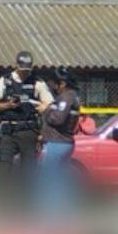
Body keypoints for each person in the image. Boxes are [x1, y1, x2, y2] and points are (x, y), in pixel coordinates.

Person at [0, 51, 53, 199]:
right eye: (22, 70)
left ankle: (26, 204)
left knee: (28, 170)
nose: (25, 73)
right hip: (9, 131)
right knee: (4, 169)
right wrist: (8, 105)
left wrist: (45, 107)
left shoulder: (37, 82)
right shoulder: (6, 80)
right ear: (16, 66)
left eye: (27, 70)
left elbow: (50, 103)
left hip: (29, 131)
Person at [35, 66, 82, 215]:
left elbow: (57, 119)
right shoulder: (72, 96)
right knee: (60, 179)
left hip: (57, 143)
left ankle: (51, 217)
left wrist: (46, 109)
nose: (53, 88)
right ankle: (65, 215)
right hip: (63, 142)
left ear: (62, 83)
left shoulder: (67, 96)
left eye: (54, 84)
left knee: (49, 179)